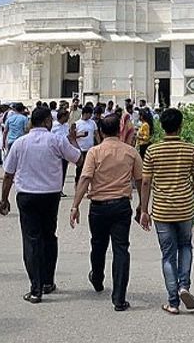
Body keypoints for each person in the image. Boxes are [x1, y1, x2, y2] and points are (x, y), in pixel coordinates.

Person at [0, 106, 81, 303]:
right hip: (50, 196)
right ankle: (47, 281)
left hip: (27, 195)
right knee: (49, 237)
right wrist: (72, 140)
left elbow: (8, 174)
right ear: (46, 121)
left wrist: (4, 198)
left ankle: (35, 288)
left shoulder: (20, 143)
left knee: (31, 240)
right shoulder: (56, 140)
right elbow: (78, 158)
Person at [70, 114, 142, 311]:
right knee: (121, 249)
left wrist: (75, 205)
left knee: (98, 245)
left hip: (99, 207)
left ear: (100, 131)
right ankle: (119, 298)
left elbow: (85, 178)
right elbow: (140, 180)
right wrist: (142, 206)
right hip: (121, 206)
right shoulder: (131, 152)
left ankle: (98, 276)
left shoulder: (94, 152)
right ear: (120, 131)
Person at [139, 108, 194, 315]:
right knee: (185, 246)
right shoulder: (191, 149)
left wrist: (144, 210)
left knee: (168, 255)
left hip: (161, 210)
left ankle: (173, 302)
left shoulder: (152, 151)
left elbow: (146, 182)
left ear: (162, 126)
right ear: (181, 126)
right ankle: (184, 285)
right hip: (185, 208)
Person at [72, 104, 98, 186]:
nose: (91, 116)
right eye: (90, 114)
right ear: (85, 113)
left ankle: (87, 184)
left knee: (89, 167)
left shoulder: (92, 123)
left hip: (90, 148)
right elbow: (72, 136)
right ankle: (77, 182)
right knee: (80, 167)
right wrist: (81, 135)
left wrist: (99, 143)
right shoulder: (77, 123)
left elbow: (96, 134)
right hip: (80, 148)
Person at [51, 108, 72, 193]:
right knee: (55, 171)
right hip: (55, 152)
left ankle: (60, 189)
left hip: (64, 152)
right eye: (67, 116)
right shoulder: (54, 126)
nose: (68, 118)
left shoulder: (66, 126)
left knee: (63, 171)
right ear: (62, 116)